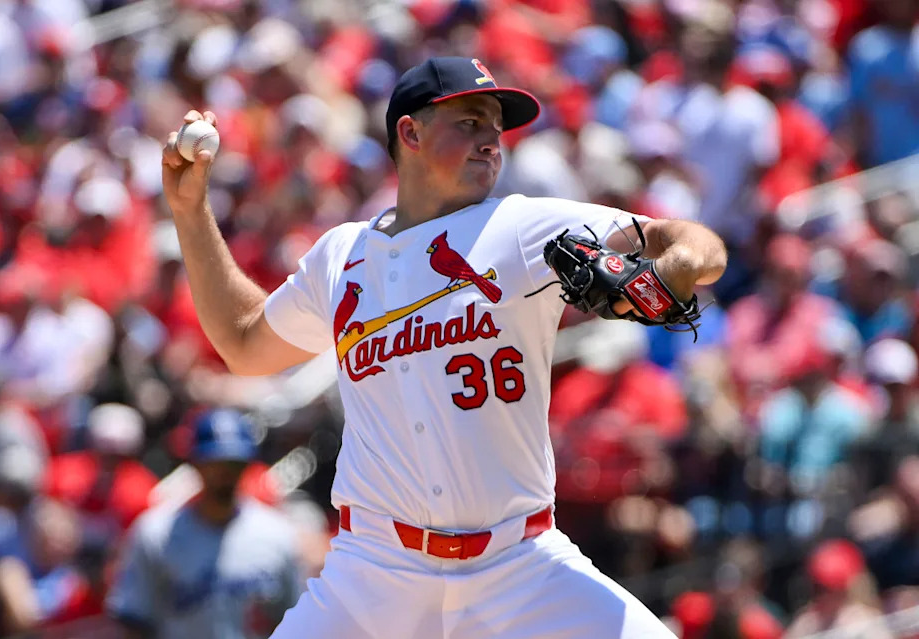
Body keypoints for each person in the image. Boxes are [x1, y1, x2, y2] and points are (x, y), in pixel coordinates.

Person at [160, 56, 726, 638]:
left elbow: (689, 240)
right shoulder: (342, 255)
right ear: (410, 132)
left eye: (495, 130)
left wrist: (676, 266)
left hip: (519, 567)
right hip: (376, 574)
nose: (491, 143)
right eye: (471, 122)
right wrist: (189, 211)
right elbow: (244, 344)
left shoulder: (521, 227)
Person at [106, 408, 301, 639]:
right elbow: (133, 620)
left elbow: (295, 622)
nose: (225, 473)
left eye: (233, 463)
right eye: (215, 463)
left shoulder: (276, 534)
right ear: (195, 463)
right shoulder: (156, 533)